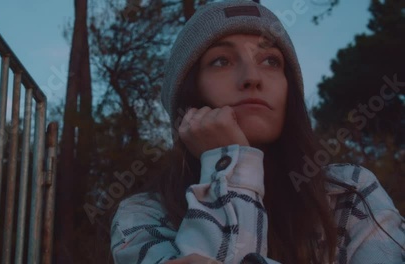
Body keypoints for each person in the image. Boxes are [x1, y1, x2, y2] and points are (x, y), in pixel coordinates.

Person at [109, 1, 405, 263]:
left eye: (270, 61)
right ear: (187, 94)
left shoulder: (350, 193)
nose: (252, 78)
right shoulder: (142, 215)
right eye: (221, 61)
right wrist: (230, 162)